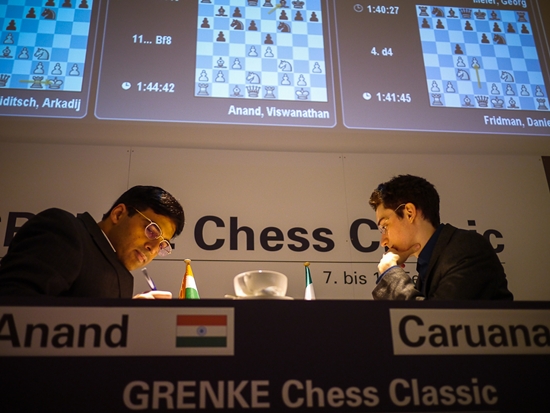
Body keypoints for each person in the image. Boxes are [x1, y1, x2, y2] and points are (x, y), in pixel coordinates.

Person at [0, 185, 185, 299]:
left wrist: (128, 317)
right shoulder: (66, 230)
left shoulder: (121, 276)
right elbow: (14, 302)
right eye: (152, 231)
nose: (153, 248)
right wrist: (117, 319)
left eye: (162, 245)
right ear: (118, 214)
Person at [368, 175, 513, 300]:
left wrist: (390, 272)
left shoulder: (468, 250)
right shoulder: (432, 263)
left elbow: (432, 320)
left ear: (409, 213)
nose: (383, 241)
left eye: (384, 226)